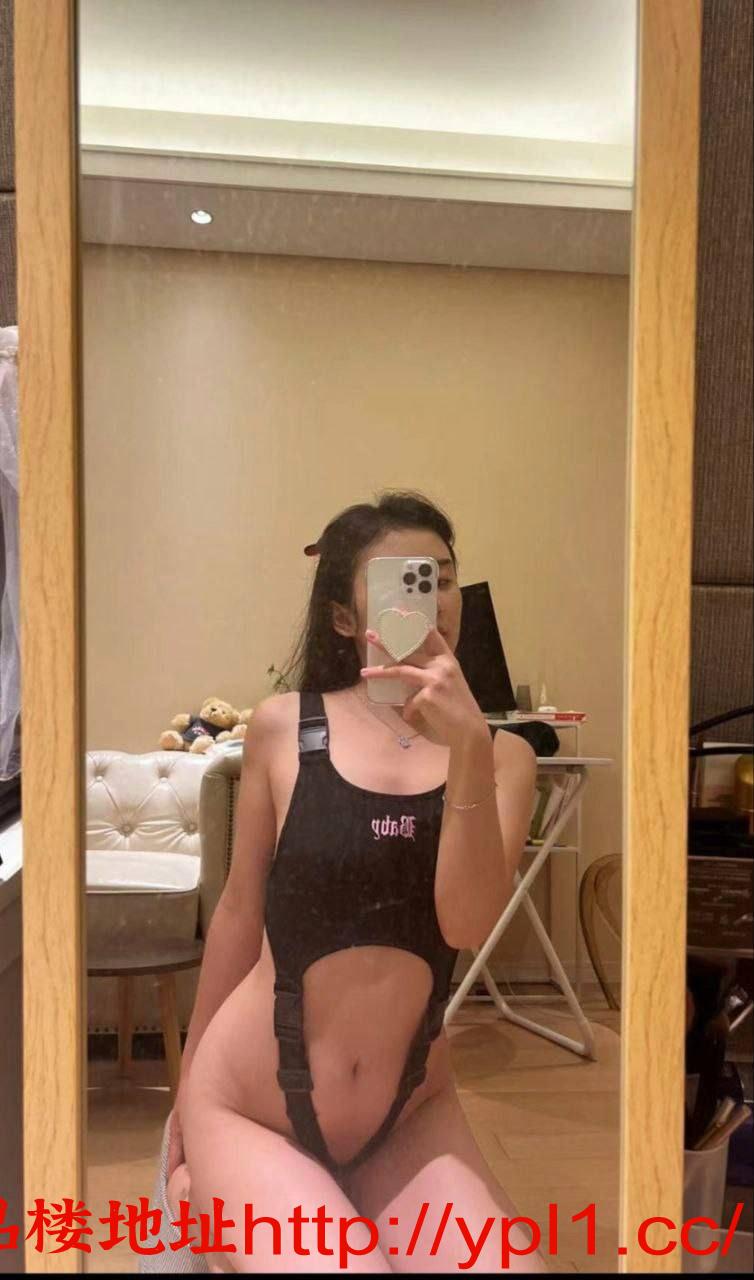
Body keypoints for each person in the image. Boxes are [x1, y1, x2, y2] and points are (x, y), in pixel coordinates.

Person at [171, 490, 547, 1272]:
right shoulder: (284, 726)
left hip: (408, 1115)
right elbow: (239, 912)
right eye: (400, 579)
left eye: (441, 576)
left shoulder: (504, 760)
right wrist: (184, 1100)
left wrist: (469, 751)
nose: (429, 598)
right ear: (346, 616)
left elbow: (466, 923)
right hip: (252, 1110)